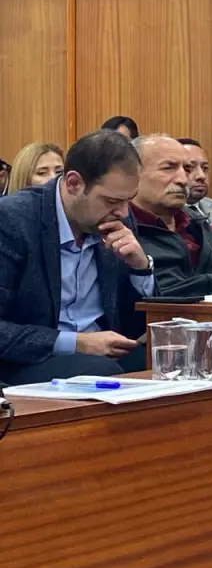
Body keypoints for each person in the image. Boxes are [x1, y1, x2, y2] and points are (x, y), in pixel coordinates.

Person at [0, 130, 153, 384]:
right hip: (29, 359)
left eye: (129, 200)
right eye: (112, 201)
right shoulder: (12, 220)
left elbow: (136, 325)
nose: (123, 212)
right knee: (101, 372)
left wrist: (140, 268)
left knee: (170, 360)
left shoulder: (117, 220)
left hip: (103, 354)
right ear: (73, 183)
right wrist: (77, 343)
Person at [130, 135, 212, 297]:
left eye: (186, 169)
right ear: (132, 174)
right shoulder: (122, 232)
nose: (183, 180)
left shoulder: (199, 224)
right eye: (168, 168)